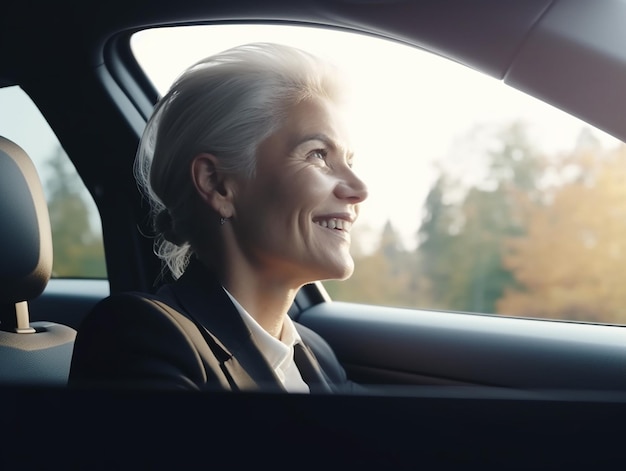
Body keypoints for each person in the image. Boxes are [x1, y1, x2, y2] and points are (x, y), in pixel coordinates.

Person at [68, 42, 368, 393]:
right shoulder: (139, 337)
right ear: (217, 184)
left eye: (350, 161)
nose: (358, 188)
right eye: (318, 154)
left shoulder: (317, 354)